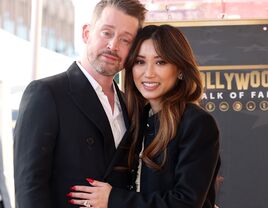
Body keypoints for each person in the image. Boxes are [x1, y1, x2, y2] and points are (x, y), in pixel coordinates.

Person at [68, 24, 221, 208]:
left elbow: (186, 202)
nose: (148, 73)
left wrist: (113, 199)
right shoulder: (136, 119)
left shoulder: (197, 123)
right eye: (140, 62)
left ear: (180, 69)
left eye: (160, 62)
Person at [13, 0, 146, 207]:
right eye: (106, 33)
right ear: (86, 33)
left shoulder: (131, 104)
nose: (113, 46)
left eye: (125, 39)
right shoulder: (46, 93)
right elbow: (29, 186)